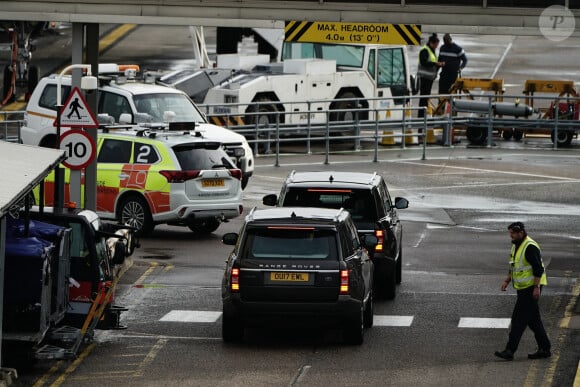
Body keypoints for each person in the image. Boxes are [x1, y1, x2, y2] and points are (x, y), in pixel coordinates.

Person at [494, 222, 551, 361]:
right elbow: (513, 266)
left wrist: (537, 288)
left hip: (531, 288)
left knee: (518, 319)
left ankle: (510, 350)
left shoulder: (529, 246)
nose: (511, 236)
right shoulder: (516, 245)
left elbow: (538, 269)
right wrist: (507, 280)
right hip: (523, 288)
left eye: (513, 233)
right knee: (533, 320)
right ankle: (545, 348)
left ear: (520, 232)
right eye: (510, 233)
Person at [417, 33, 445, 118]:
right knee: (424, 97)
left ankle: (425, 113)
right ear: (431, 43)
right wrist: (435, 63)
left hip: (430, 78)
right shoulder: (425, 50)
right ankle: (421, 115)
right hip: (424, 77)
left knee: (426, 97)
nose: (437, 47)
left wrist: (438, 65)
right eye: (436, 45)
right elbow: (424, 62)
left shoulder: (432, 50)